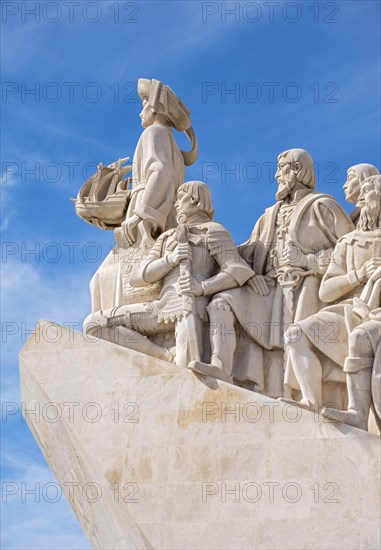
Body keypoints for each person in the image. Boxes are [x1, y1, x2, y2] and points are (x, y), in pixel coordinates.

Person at [189, 149, 354, 395]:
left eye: (282, 168)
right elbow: (247, 252)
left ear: (296, 171)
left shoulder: (323, 206)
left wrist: (307, 260)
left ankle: (302, 398)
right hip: (267, 287)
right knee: (221, 303)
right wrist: (248, 273)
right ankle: (221, 367)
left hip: (304, 288)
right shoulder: (268, 215)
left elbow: (351, 250)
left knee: (289, 344)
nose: (277, 174)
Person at [84, 181, 254, 368]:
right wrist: (170, 260)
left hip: (191, 306)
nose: (176, 203)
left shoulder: (212, 231)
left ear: (196, 200)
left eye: (181, 197)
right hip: (160, 306)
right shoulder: (167, 236)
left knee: (188, 369)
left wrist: (202, 287)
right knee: (94, 324)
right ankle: (165, 356)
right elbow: (138, 277)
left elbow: (238, 270)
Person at [90, 78, 198, 312]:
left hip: (148, 214)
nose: (140, 112)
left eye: (144, 103)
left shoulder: (154, 132)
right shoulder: (169, 141)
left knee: (103, 280)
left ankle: (115, 332)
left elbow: (162, 172)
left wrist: (140, 215)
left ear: (155, 107)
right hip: (160, 210)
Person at [285, 175, 381, 422]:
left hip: (376, 313)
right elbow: (326, 291)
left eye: (368, 191)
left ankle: (357, 413)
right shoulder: (348, 242)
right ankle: (311, 400)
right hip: (349, 309)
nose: (360, 197)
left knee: (360, 337)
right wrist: (360, 274)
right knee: (295, 335)